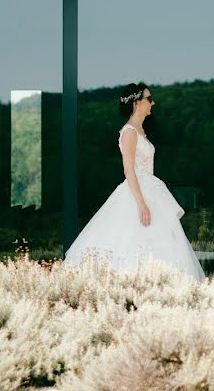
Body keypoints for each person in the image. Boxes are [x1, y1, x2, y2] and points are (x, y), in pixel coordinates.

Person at [65, 82, 205, 280]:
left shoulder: (140, 131)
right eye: (149, 99)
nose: (152, 103)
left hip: (150, 189)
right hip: (138, 192)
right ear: (136, 103)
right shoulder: (129, 132)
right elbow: (129, 170)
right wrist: (141, 203)